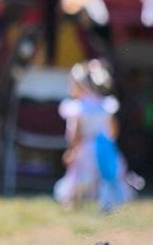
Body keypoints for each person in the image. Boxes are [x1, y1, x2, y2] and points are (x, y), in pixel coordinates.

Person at [54, 59, 142, 210]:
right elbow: (113, 131)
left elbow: (76, 134)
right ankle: (107, 200)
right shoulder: (105, 105)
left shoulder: (77, 108)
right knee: (105, 175)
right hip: (105, 147)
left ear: (81, 86)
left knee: (80, 176)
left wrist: (72, 150)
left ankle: (75, 200)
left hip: (85, 149)